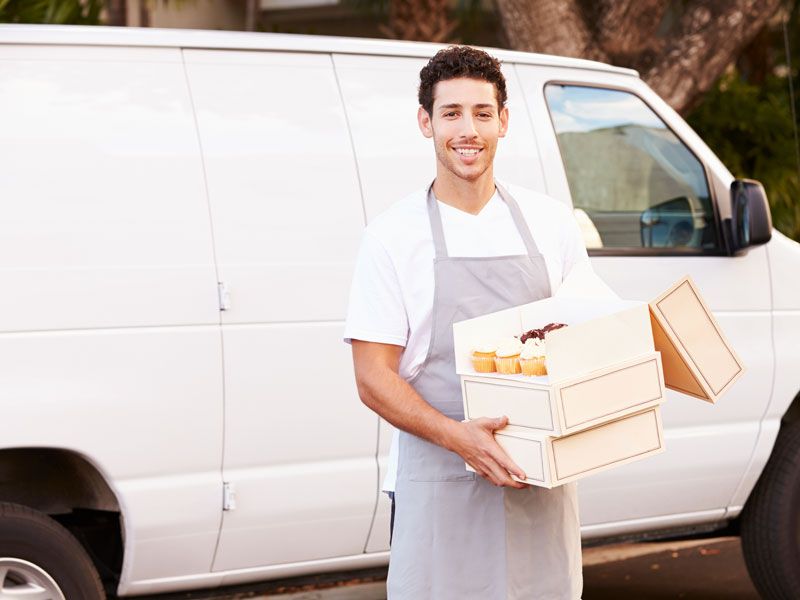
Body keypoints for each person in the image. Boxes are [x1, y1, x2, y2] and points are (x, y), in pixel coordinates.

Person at [344, 45, 586, 599]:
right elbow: (372, 377)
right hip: (437, 481)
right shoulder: (391, 237)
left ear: (503, 121)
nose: (467, 129)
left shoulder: (551, 224)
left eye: (481, 113)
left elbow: (582, 337)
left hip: (538, 478)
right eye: (451, 113)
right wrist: (462, 440)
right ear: (426, 122)